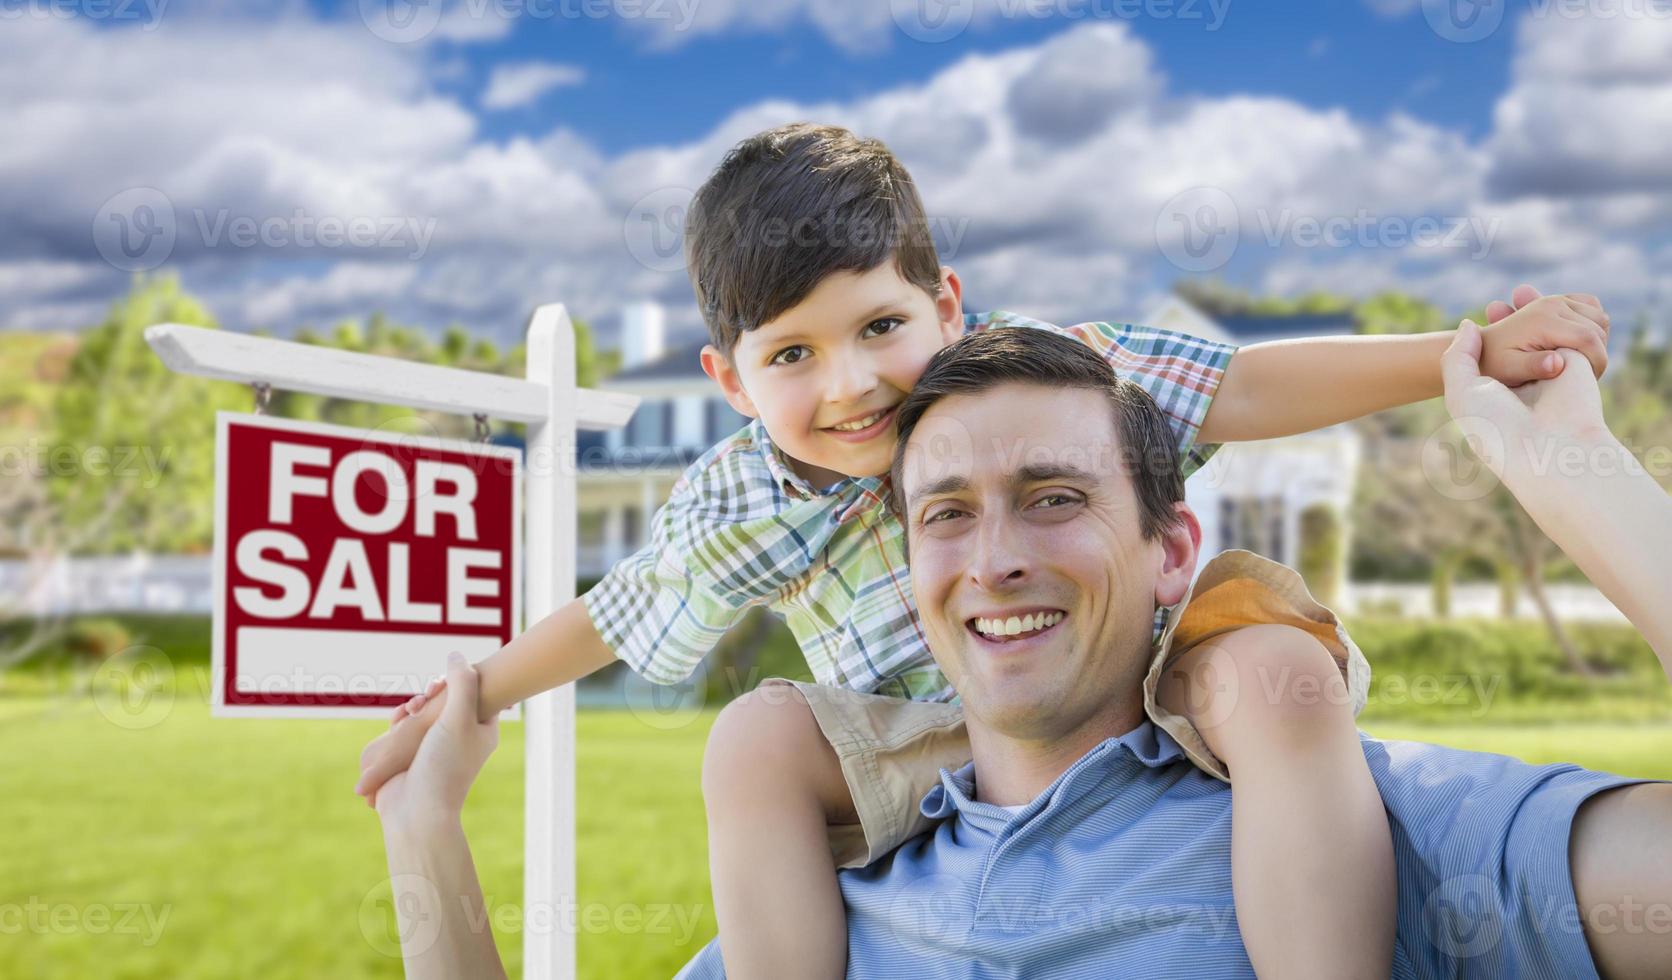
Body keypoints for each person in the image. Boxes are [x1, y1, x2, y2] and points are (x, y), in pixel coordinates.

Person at [357, 122, 1613, 980]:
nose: (850, 385)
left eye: (880, 327)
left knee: (1269, 671)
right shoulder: (737, 497)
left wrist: (1460, 355)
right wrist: (467, 697)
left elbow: (1243, 382)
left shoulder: (1051, 380)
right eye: (792, 355)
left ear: (946, 305)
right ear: (729, 382)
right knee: (754, 738)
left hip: (1145, 668)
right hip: (926, 738)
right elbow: (619, 612)